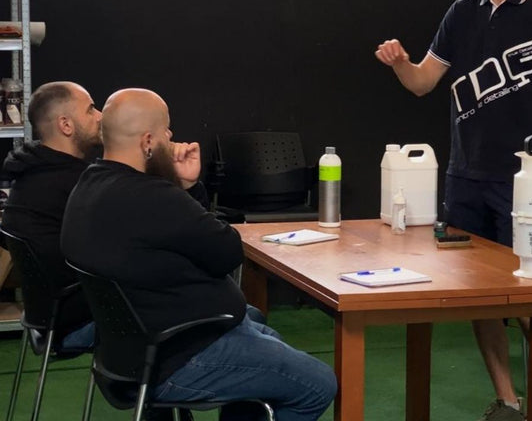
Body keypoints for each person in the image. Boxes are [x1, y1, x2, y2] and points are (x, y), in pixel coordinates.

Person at [61, 88, 337, 421]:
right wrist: (185, 188)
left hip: (131, 351)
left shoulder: (87, 187)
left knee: (267, 338)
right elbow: (227, 252)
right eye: (166, 130)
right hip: (180, 354)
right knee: (317, 384)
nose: (171, 138)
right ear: (148, 141)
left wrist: (185, 187)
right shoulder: (154, 197)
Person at [375, 0, 532, 421]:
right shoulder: (461, 13)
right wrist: (401, 62)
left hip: (523, 183)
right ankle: (507, 402)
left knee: (526, 299)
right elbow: (423, 82)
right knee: (481, 298)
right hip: (466, 178)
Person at [0, 81, 102, 348]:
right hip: (78, 322)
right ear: (66, 125)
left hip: (45, 318)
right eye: (91, 109)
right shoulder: (77, 186)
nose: (100, 116)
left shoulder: (29, 175)